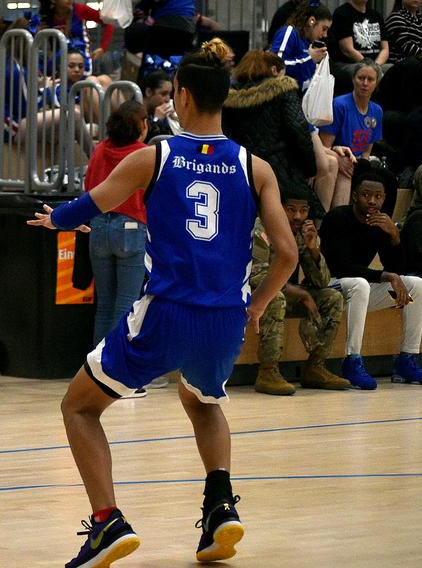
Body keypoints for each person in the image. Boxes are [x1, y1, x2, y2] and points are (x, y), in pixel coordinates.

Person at [28, 41, 298, 565]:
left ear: (184, 97)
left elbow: (93, 202)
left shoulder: (155, 157)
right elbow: (286, 254)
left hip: (167, 309)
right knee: (204, 402)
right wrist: (258, 306)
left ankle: (107, 523)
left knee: (80, 407)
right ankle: (220, 506)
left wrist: (54, 220)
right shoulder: (255, 167)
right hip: (225, 316)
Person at [320, 159, 422, 388]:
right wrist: (385, 276)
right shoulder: (337, 218)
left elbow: (399, 270)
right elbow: (341, 267)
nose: (372, 201)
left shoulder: (379, 223)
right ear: (355, 195)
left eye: (378, 197)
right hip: (330, 287)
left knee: (416, 284)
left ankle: (407, 359)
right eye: (366, 195)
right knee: (360, 284)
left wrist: (394, 238)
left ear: (384, 198)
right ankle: (352, 360)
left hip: (359, 293)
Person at [250, 189, 351, 395]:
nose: (298, 216)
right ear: (278, 208)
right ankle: (267, 371)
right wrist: (302, 295)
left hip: (285, 292)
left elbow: (321, 282)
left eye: (303, 211)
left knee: (332, 297)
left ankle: (315, 367)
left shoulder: (302, 232)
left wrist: (313, 249)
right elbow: (257, 279)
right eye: (291, 210)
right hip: (251, 293)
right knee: (274, 297)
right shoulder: (261, 228)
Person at [223, 51, 320, 216]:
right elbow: (298, 129)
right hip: (284, 169)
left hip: (243, 170)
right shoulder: (284, 90)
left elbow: (226, 136)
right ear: (273, 69)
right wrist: (309, 168)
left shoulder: (228, 98)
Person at [84, 100, 149, 348]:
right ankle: (116, 371)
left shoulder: (100, 150)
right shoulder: (143, 153)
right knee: (126, 304)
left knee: (105, 304)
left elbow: (88, 187)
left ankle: (96, 369)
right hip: (131, 229)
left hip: (98, 227)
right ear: (142, 125)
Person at [319, 59, 384, 209]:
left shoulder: (377, 111)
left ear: (376, 83)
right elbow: (324, 145)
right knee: (346, 173)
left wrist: (363, 168)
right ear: (353, 79)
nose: (365, 83)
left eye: (370, 79)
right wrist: (340, 160)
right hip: (339, 156)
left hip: (358, 162)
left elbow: (367, 150)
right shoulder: (339, 105)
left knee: (386, 179)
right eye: (361, 78)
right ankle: (336, 220)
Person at [38, 0, 115, 74]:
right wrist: (37, 32)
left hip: (81, 59)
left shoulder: (80, 9)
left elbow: (108, 23)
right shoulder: (46, 16)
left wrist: (102, 48)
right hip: (58, 61)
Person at [328, 0, 390, 92]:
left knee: (395, 70)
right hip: (351, 64)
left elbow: (385, 49)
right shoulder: (342, 13)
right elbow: (348, 50)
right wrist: (370, 67)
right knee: (364, 74)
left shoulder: (376, 15)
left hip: (377, 63)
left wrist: (375, 66)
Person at [270, 0, 332, 91]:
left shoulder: (308, 43)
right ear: (312, 21)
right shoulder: (289, 31)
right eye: (324, 28)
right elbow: (277, 66)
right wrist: (310, 58)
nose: (325, 34)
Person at [141, 71, 175, 142]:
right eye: (164, 94)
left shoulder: (160, 115)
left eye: (169, 94)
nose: (168, 99)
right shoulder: (133, 114)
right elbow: (143, 144)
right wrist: (156, 121)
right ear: (148, 92)